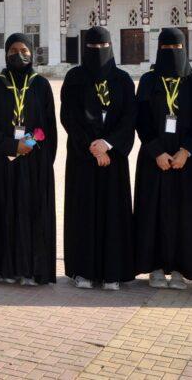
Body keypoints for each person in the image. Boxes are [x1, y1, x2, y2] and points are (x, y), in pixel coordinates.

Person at [60, 26, 136, 290]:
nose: (98, 52)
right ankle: (83, 271)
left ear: (111, 47)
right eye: (93, 48)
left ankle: (112, 271)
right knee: (84, 212)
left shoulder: (123, 80)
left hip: (113, 159)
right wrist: (92, 147)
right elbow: (69, 117)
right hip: (83, 158)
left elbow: (129, 118)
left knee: (113, 213)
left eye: (103, 47)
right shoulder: (74, 78)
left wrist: (108, 145)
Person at [0, 33, 58, 286]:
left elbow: (47, 124)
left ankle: (32, 271)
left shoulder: (41, 85)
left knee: (32, 215)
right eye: (13, 50)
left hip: (34, 162)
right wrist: (13, 146)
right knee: (6, 213)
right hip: (4, 162)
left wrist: (30, 145)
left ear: (32, 53)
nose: (19, 55)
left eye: (24, 50)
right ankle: (6, 269)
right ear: (6, 54)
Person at [132, 28, 192, 289]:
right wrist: (156, 151)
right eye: (166, 48)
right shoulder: (149, 81)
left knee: (185, 215)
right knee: (153, 213)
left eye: (177, 48)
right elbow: (140, 119)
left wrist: (187, 150)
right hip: (155, 161)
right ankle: (155, 267)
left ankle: (180, 270)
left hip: (186, 162)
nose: (172, 53)